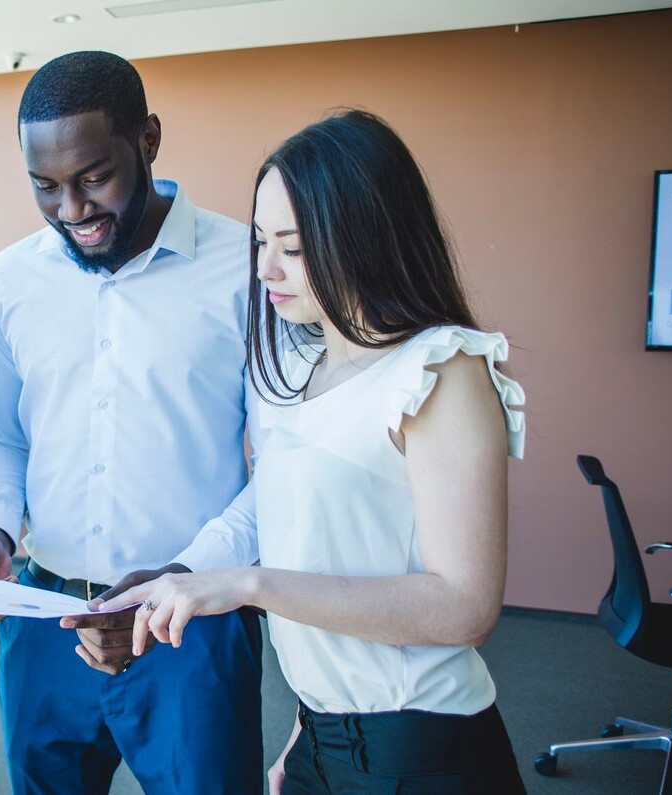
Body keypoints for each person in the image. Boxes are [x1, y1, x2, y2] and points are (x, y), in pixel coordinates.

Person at [101, 109, 529, 794]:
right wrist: (307, 733)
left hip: (419, 746)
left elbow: (465, 607)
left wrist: (248, 583)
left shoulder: (439, 370)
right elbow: (317, 547)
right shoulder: (303, 370)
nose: (265, 267)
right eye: (260, 240)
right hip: (324, 738)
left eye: (293, 247)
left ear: (366, 236)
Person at [0, 51, 264, 795]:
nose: (72, 210)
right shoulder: (12, 280)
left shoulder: (246, 270)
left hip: (193, 623)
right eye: (45, 186)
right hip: (46, 614)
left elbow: (285, 466)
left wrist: (182, 579)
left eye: (93, 177)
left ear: (148, 139)